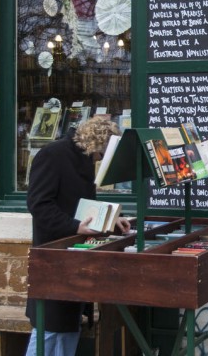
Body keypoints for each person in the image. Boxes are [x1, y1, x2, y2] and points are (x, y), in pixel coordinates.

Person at [24, 115, 130, 356]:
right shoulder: (53, 155)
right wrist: (74, 227)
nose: (101, 160)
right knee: (51, 326)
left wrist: (111, 220)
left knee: (67, 324)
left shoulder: (79, 157)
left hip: (73, 255)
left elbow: (81, 205)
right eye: (102, 155)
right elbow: (39, 205)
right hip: (53, 254)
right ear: (97, 144)